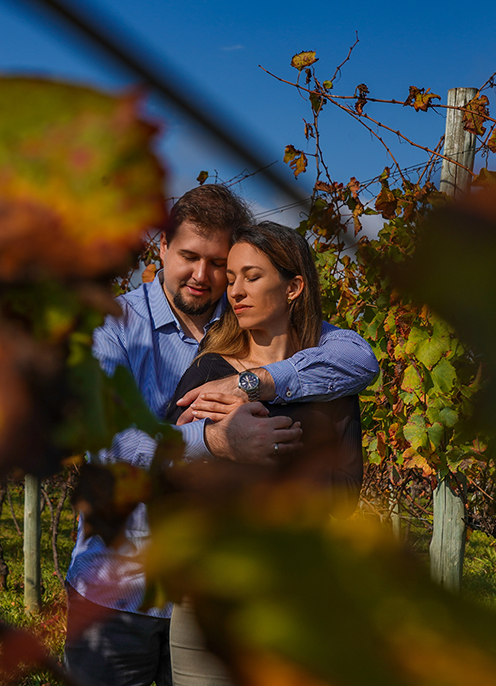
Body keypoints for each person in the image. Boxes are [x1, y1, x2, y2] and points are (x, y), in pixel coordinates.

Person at [64, 185, 377, 686]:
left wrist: (255, 380)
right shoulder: (112, 326)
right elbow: (108, 444)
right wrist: (214, 441)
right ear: (161, 248)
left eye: (222, 265)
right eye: (190, 257)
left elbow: (358, 359)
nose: (205, 277)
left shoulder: (246, 323)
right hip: (120, 591)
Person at [162, 221, 363, 685]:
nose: (235, 291)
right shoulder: (210, 371)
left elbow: (346, 493)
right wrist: (221, 447)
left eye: (252, 277)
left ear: (293, 287)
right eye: (231, 279)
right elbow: (170, 475)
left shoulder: (331, 382)